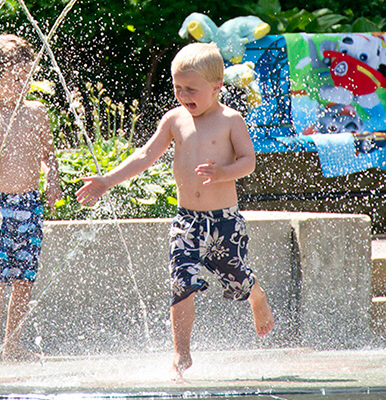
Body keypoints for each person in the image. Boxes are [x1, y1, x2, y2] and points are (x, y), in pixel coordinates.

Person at [74, 43, 274, 379]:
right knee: (182, 282)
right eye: (177, 87)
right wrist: (107, 180)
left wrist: (224, 173)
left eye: (191, 89)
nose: (183, 95)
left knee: (237, 280)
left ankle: (256, 295)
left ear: (217, 87)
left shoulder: (229, 120)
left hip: (224, 221)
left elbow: (248, 162)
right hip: (187, 221)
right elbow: (144, 156)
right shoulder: (174, 120)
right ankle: (181, 355)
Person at [0, 34, 60, 363]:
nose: (24, 84)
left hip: (28, 205)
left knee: (24, 279)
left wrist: (53, 179)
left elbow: (49, 155)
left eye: (28, 77)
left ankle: (13, 342)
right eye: (16, 78)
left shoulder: (36, 112)